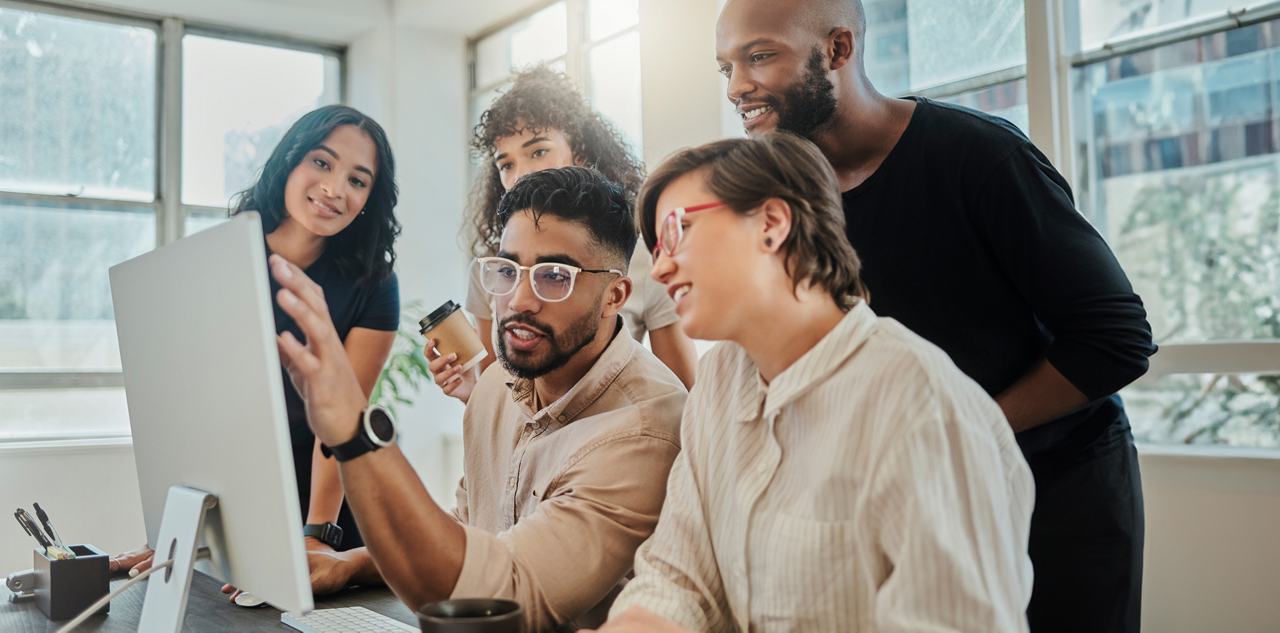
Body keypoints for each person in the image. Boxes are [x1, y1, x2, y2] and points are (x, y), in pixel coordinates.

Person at [714, 0, 1156, 633]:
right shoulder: (788, 206)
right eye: (726, 68)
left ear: (838, 49)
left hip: (1058, 491)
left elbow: (1116, 339)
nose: (738, 86)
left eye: (759, 56)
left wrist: (962, 432)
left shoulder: (980, 157)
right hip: (912, 494)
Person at [596, 133, 1033, 632]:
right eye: (654, 247)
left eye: (677, 232)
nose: (661, 266)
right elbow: (680, 576)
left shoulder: (918, 401)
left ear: (772, 224)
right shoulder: (719, 379)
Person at [268, 166, 687, 631]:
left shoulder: (647, 430)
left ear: (615, 296)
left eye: (554, 276)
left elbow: (499, 598)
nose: (519, 300)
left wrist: (355, 431)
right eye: (507, 270)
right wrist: (352, 564)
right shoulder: (495, 386)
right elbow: (473, 534)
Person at [110, 105, 401, 578]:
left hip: (326, 504)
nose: (334, 189)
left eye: (357, 180)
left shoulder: (375, 283)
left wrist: (317, 534)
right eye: (322, 163)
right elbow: (192, 411)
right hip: (233, 495)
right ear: (290, 160)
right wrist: (173, 526)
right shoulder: (218, 257)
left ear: (370, 197)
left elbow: (344, 419)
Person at [437, 66, 697, 403]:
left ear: (582, 154)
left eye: (538, 152)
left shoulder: (644, 259)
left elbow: (683, 399)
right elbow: (496, 399)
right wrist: (469, 393)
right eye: (506, 164)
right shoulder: (488, 270)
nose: (520, 175)